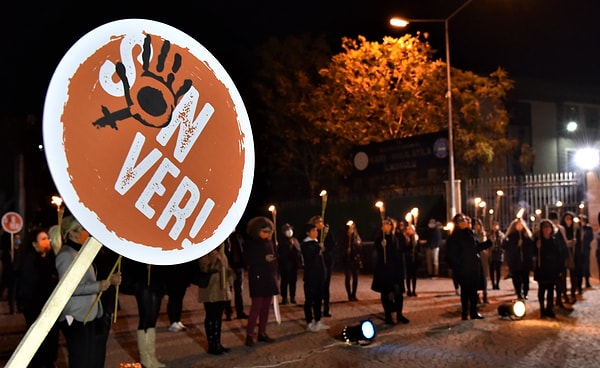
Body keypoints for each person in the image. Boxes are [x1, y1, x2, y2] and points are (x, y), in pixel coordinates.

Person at [55, 215, 121, 368]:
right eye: (82, 229)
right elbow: (67, 288)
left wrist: (109, 280)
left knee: (90, 358)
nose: (86, 232)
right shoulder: (66, 255)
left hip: (88, 314)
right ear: (72, 232)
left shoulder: (80, 252)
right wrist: (98, 286)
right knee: (81, 360)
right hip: (75, 316)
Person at [15, 228, 59, 368]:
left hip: (45, 307)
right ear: (34, 244)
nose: (47, 242)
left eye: (47, 238)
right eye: (43, 239)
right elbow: (33, 285)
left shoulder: (47, 258)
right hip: (36, 308)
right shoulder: (30, 260)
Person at [121, 258, 167, 368]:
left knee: (152, 320)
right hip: (141, 284)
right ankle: (145, 358)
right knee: (145, 319)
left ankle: (152, 356)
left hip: (156, 283)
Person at [445, 213, 491, 320]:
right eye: (465, 220)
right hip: (463, 269)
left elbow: (475, 248)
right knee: (465, 291)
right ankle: (465, 313)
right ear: (459, 223)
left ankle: (473, 312)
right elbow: (450, 255)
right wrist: (458, 266)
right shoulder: (455, 237)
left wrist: (489, 243)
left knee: (473, 291)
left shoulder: (469, 234)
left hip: (473, 267)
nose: (468, 222)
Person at [244, 216, 279, 347]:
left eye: (269, 232)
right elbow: (248, 260)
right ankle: (249, 334)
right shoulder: (251, 243)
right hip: (258, 278)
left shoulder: (269, 242)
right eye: (264, 231)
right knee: (256, 308)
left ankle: (262, 333)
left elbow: (274, 258)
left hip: (269, 277)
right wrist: (263, 259)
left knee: (265, 308)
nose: (267, 234)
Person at [371, 217, 409, 325]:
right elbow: (378, 252)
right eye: (384, 225)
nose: (386, 227)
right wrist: (381, 246)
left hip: (396, 270)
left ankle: (399, 315)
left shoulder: (398, 236)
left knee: (399, 294)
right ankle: (388, 316)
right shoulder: (380, 239)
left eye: (388, 225)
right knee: (386, 294)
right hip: (385, 271)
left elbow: (404, 248)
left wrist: (409, 239)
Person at [198, 243, 234, 355]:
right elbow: (204, 268)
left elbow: (226, 267)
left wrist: (230, 274)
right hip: (210, 289)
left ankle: (217, 343)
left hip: (222, 288)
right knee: (211, 316)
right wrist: (216, 265)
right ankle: (212, 345)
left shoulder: (221, 252)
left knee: (218, 317)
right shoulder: (204, 251)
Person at [301, 222, 330, 331]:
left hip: (320, 275)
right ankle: (309, 322)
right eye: (313, 230)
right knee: (309, 300)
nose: (316, 232)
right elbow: (310, 258)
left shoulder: (317, 243)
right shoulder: (305, 244)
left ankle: (318, 320)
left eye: (316, 230)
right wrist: (318, 249)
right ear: (308, 233)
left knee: (318, 299)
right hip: (311, 276)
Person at [533, 219, 564, 318]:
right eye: (544, 227)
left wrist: (559, 269)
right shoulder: (538, 240)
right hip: (542, 268)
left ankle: (549, 308)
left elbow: (558, 255)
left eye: (548, 227)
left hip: (552, 269)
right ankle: (542, 309)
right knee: (542, 289)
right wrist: (536, 247)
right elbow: (533, 254)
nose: (547, 229)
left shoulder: (554, 240)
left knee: (550, 290)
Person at [308, 215, 336, 317]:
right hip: (315, 264)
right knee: (316, 287)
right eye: (318, 222)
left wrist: (325, 249)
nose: (321, 224)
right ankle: (316, 307)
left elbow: (333, 245)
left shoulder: (327, 232)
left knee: (326, 286)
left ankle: (326, 308)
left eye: (321, 222)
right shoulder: (312, 233)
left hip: (327, 262)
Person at [502, 218, 534, 300]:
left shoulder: (526, 235)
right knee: (516, 278)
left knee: (525, 278)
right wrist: (517, 246)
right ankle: (518, 292)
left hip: (525, 261)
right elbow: (506, 247)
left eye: (521, 225)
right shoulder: (511, 236)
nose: (519, 226)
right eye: (518, 225)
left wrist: (527, 239)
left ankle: (525, 292)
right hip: (515, 261)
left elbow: (531, 246)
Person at [224, 228, 249, 320]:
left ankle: (240, 311)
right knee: (228, 291)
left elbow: (243, 250)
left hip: (239, 267)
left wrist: (244, 263)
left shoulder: (238, 237)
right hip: (228, 267)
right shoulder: (224, 237)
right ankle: (228, 312)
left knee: (239, 291)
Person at [277, 223, 302, 305]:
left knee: (293, 281)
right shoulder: (281, 241)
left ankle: (292, 297)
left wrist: (293, 246)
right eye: (287, 230)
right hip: (284, 265)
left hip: (293, 264)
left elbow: (298, 251)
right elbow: (280, 253)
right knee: (284, 281)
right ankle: (284, 298)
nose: (289, 231)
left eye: (290, 229)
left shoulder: (294, 240)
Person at [549, 211, 570, 308]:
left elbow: (564, 243)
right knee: (554, 280)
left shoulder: (561, 229)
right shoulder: (549, 229)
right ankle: (556, 299)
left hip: (561, 258)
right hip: (552, 260)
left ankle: (562, 297)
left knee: (562, 279)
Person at [165, 261, 192, 332]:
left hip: (182, 275)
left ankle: (177, 319)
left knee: (179, 299)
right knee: (173, 298)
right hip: (172, 275)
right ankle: (173, 321)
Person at [340, 221, 362, 301]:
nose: (351, 229)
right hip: (347, 260)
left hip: (355, 260)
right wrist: (346, 249)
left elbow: (359, 246)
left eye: (352, 228)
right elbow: (341, 247)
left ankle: (354, 294)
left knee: (355, 278)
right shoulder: (344, 237)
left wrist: (354, 248)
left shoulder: (356, 237)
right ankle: (349, 294)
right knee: (348, 278)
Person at [561, 211, 580, 303]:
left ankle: (573, 292)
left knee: (574, 275)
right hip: (564, 255)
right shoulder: (562, 230)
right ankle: (564, 293)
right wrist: (567, 243)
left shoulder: (575, 230)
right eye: (567, 219)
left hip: (574, 255)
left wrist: (575, 243)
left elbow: (579, 242)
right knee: (563, 276)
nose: (569, 221)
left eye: (570, 219)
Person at [400, 220, 420, 297]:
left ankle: (414, 290)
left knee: (414, 276)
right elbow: (404, 248)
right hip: (407, 258)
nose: (409, 230)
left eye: (411, 229)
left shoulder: (416, 238)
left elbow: (419, 248)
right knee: (408, 276)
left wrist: (417, 252)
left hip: (414, 258)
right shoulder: (405, 238)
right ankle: (409, 290)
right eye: (409, 229)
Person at [472, 218, 490, 304]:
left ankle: (485, 295)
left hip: (483, 257)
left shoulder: (482, 234)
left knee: (484, 277)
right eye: (475, 224)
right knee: (477, 277)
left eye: (478, 224)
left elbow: (484, 245)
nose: (476, 226)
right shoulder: (472, 234)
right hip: (476, 257)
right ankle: (477, 296)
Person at [488, 221, 506, 290]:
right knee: (491, 270)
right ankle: (493, 284)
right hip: (491, 254)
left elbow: (503, 243)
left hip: (498, 254)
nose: (495, 227)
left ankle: (497, 284)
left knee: (498, 270)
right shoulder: (489, 235)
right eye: (493, 225)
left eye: (496, 225)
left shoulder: (501, 235)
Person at [578, 215, 593, 289]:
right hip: (579, 250)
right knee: (579, 267)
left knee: (586, 266)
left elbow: (591, 238)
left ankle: (587, 281)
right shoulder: (577, 228)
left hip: (586, 249)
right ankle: (578, 283)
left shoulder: (588, 228)